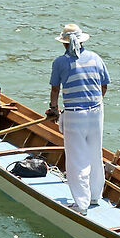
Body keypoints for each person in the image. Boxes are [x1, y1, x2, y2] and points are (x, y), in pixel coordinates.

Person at [45, 24, 109, 213]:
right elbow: (103, 85)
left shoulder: (60, 62)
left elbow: (55, 89)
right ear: (81, 41)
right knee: (94, 154)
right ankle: (95, 196)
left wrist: (53, 109)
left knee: (77, 160)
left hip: (74, 114)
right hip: (97, 112)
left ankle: (81, 204)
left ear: (65, 43)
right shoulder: (96, 58)